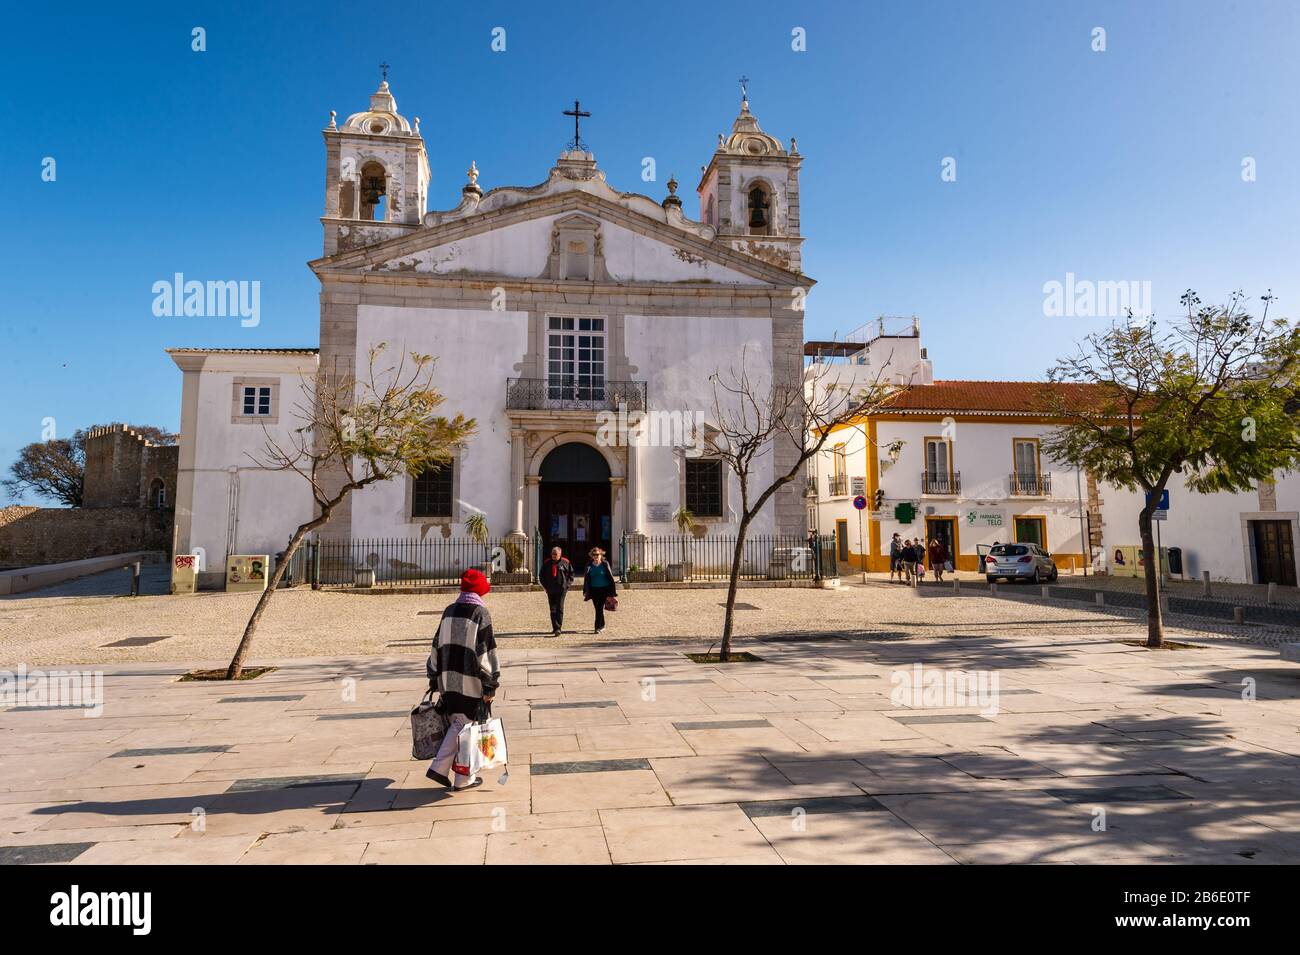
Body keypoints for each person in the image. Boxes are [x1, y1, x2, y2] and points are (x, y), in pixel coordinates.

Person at [425, 568, 500, 791]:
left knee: (460, 723)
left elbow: (436, 644)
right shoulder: (480, 613)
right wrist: (490, 683)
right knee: (464, 725)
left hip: (449, 680)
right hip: (470, 681)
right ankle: (444, 769)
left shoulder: (449, 610)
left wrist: (433, 674)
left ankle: (457, 775)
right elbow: (485, 650)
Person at [540, 545, 574, 637]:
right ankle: (554, 627)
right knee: (552, 609)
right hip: (550, 589)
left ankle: (558, 628)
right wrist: (546, 587)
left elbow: (571, 575)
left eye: (555, 554)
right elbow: (541, 576)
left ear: (560, 554)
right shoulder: (547, 563)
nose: (554, 556)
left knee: (559, 608)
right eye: (552, 554)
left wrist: (567, 586)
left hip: (561, 589)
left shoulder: (566, 562)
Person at [583, 547, 618, 634]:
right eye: (594, 555)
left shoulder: (605, 564)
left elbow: (610, 578)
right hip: (593, 589)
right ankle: (602, 625)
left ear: (601, 555)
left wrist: (612, 591)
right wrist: (585, 590)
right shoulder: (589, 565)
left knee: (599, 608)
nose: (596, 556)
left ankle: (597, 627)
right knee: (597, 608)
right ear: (592, 556)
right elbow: (586, 579)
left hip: (604, 589)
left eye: (597, 554)